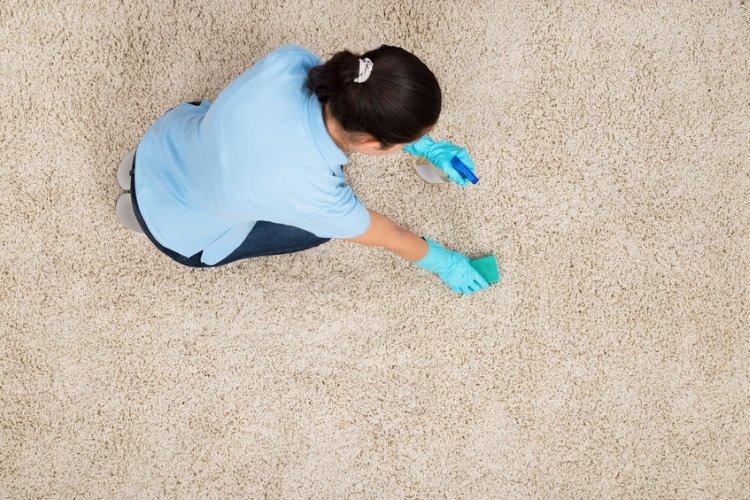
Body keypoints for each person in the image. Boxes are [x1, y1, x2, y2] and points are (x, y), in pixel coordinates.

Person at [116, 44, 489, 295]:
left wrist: (417, 139)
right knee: (318, 234)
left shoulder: (290, 59)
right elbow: (392, 236)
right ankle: (138, 215)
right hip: (181, 235)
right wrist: (447, 264)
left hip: (159, 144)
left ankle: (132, 175)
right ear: (372, 143)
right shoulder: (318, 198)